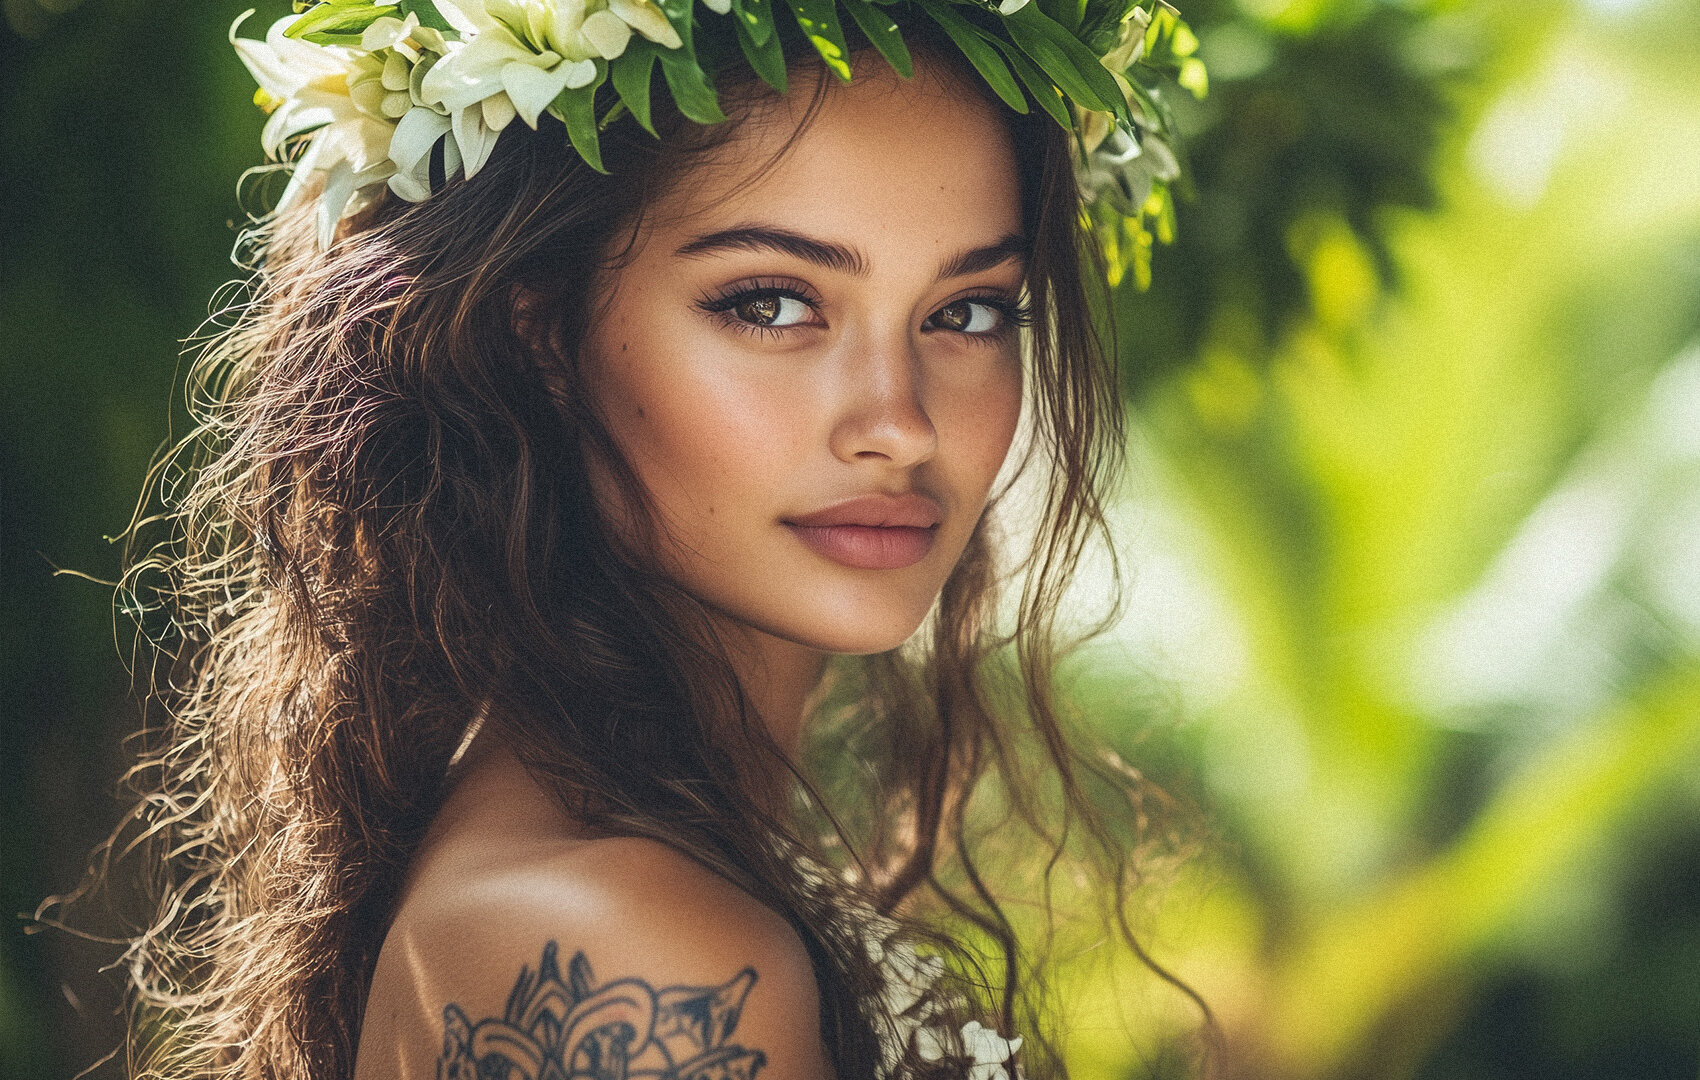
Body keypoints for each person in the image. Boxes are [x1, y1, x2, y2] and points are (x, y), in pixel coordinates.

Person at [99, 2, 1205, 1078]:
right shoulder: (628, 956)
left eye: (965, 312)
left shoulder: (602, 869)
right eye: (771, 304)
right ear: (540, 338)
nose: (898, 423)